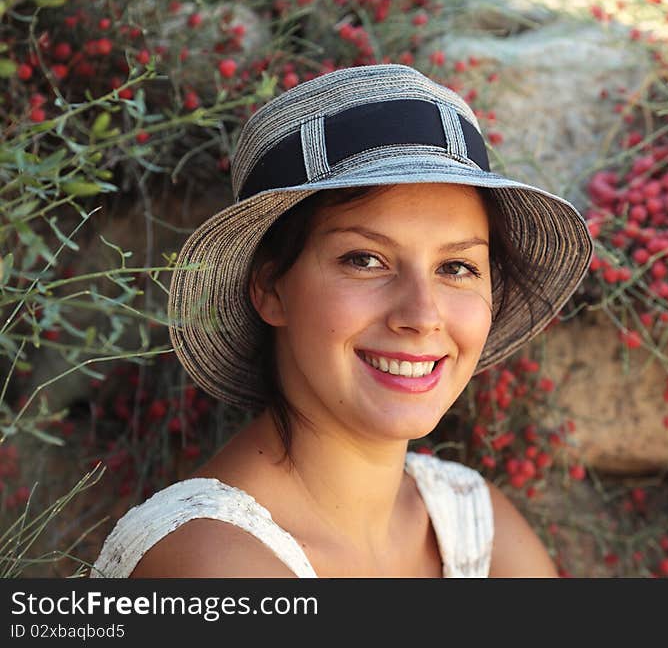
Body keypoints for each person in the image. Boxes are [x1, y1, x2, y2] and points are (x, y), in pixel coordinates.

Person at [90, 64, 594, 578]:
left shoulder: (471, 521)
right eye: (365, 260)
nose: (421, 316)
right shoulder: (209, 562)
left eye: (456, 267)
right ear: (270, 289)